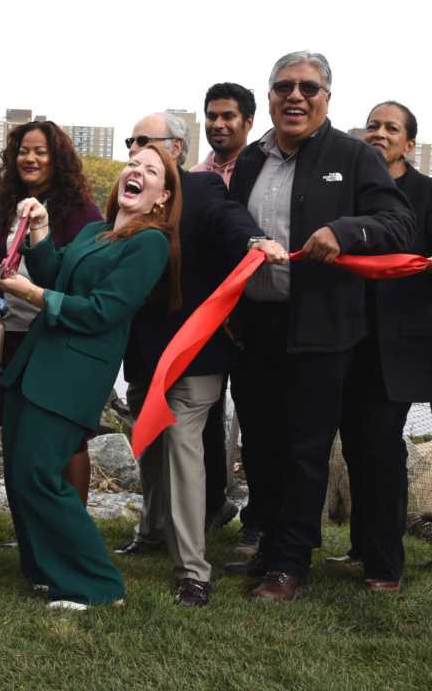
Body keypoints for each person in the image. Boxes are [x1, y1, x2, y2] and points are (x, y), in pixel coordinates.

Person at [225, 51, 415, 601]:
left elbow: (399, 223)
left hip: (323, 329)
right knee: (261, 445)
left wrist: (346, 230)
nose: (295, 97)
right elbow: (236, 230)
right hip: (257, 325)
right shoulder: (253, 161)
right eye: (284, 86)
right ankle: (271, 545)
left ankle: (289, 565)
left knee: (305, 448)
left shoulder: (354, 156)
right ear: (269, 96)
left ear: (327, 97)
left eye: (309, 87)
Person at [0, 146, 181, 610]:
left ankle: (98, 584)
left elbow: (105, 311)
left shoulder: (151, 243)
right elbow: (55, 273)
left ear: (162, 196)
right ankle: (46, 571)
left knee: (40, 473)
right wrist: (39, 231)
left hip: (74, 375)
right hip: (36, 365)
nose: (136, 172)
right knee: (21, 474)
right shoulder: (96, 231)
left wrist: (35, 296)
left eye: (151, 170)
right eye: (133, 164)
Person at [115, 112, 283, 608]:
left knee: (183, 449)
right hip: (143, 354)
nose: (135, 153)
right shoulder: (127, 202)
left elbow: (234, 224)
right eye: (132, 143)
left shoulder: (204, 191)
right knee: (146, 447)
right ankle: (151, 530)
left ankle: (193, 571)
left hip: (195, 353)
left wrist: (255, 242)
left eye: (146, 143)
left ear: (177, 150)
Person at [329, 101, 432, 591]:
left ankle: (386, 567)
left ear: (409, 143)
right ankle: (362, 548)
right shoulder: (346, 188)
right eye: (372, 125)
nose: (379, 133)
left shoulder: (428, 193)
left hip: (398, 345)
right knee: (356, 448)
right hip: (342, 337)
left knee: (382, 449)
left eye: (391, 128)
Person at [0, 121, 102, 507]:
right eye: (24, 151)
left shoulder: (79, 211)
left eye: (41, 152)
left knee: (65, 436)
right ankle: (27, 524)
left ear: (58, 160)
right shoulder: (8, 202)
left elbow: (83, 275)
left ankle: (74, 524)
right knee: (16, 429)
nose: (30, 158)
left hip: (54, 333)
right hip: (13, 331)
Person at [190, 82, 258, 537]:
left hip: (255, 315)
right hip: (206, 315)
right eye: (212, 116)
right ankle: (213, 505)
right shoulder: (195, 176)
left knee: (256, 419)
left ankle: (259, 519)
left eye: (228, 116)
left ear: (248, 122)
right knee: (205, 417)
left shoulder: (261, 169)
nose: (218, 124)